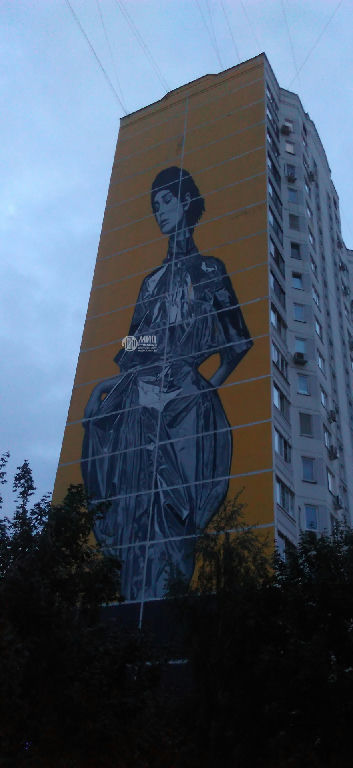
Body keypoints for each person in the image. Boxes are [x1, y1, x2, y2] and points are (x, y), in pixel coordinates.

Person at [82, 166, 253, 600]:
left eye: (167, 201)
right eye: (154, 205)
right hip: (139, 406)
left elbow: (237, 343)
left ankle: (168, 606)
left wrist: (201, 391)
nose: (159, 211)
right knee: (134, 507)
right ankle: (132, 612)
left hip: (185, 409)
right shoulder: (150, 282)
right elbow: (134, 344)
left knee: (177, 511)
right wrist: (105, 385)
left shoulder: (211, 269)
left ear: (187, 202)